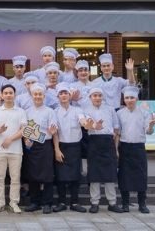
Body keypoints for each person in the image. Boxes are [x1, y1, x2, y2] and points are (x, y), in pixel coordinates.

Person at [81, 87, 123, 213]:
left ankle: (112, 202)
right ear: (90, 97)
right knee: (94, 174)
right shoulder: (85, 110)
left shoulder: (110, 109)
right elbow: (86, 126)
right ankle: (94, 203)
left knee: (110, 173)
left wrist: (116, 148)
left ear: (102, 97)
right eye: (95, 95)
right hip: (93, 142)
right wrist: (93, 126)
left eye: (99, 95)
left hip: (108, 142)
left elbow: (116, 129)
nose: (97, 98)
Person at [116, 85, 155, 214]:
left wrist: (151, 126)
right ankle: (125, 203)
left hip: (139, 147)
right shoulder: (119, 113)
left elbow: (148, 131)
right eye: (127, 98)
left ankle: (142, 204)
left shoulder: (144, 112)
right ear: (124, 99)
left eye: (132, 98)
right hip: (124, 147)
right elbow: (117, 132)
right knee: (124, 176)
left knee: (141, 175)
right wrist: (116, 149)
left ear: (137, 98)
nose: (129, 100)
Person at [0, 84, 27, 214]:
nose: (8, 95)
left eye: (10, 93)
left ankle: (14, 203)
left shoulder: (21, 111)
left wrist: (10, 139)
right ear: (1, 95)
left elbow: (24, 130)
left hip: (16, 150)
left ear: (14, 95)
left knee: (15, 178)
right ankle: (0, 203)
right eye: (5, 93)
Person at [22, 84, 58, 214]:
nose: (37, 96)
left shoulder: (50, 111)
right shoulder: (27, 111)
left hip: (46, 145)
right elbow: (24, 129)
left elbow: (53, 130)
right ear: (32, 96)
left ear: (44, 96)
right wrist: (26, 140)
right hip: (31, 146)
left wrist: (50, 134)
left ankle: (47, 203)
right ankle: (34, 202)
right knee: (32, 174)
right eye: (35, 94)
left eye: (40, 94)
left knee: (47, 175)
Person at [52, 83, 87, 213]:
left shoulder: (77, 110)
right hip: (61, 146)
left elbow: (83, 121)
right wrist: (57, 150)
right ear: (58, 97)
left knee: (75, 176)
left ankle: (74, 202)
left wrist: (86, 123)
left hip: (75, 146)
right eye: (61, 93)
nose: (63, 95)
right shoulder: (54, 112)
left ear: (70, 95)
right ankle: (61, 202)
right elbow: (55, 133)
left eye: (66, 93)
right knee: (60, 176)